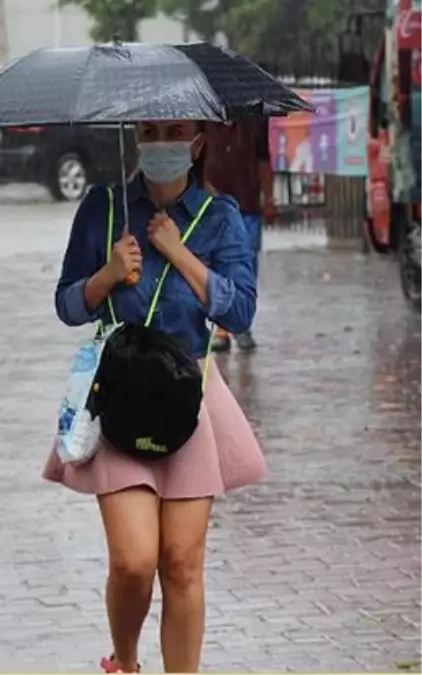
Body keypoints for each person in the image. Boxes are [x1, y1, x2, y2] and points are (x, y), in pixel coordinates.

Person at [43, 120, 267, 674]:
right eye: (150, 129)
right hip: (120, 393)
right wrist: (107, 275)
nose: (161, 141)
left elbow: (238, 313)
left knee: (183, 563)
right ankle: (124, 661)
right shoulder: (104, 209)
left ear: (196, 143)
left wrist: (181, 255)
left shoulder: (221, 217)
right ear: (136, 138)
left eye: (175, 130)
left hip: (189, 396)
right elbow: (68, 305)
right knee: (135, 562)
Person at [203, 117, 274, 352]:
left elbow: (264, 160)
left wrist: (270, 198)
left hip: (247, 206)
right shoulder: (205, 120)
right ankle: (222, 328)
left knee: (245, 266)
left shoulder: (254, 121)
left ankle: (242, 325)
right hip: (213, 208)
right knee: (217, 267)